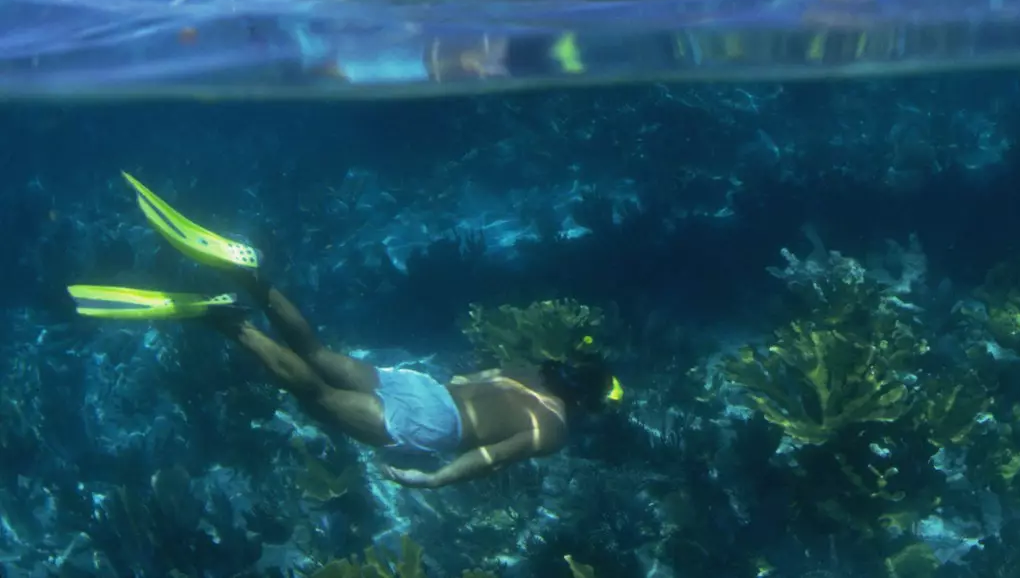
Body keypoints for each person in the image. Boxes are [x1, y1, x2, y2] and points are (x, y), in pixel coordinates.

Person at [67, 174, 620, 489]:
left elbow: (470, 373)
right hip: (431, 422)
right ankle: (228, 321)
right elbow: (492, 457)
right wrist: (429, 480)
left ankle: (253, 279)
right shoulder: (552, 429)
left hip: (424, 388)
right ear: (585, 403)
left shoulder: (532, 371)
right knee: (315, 395)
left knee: (315, 350)